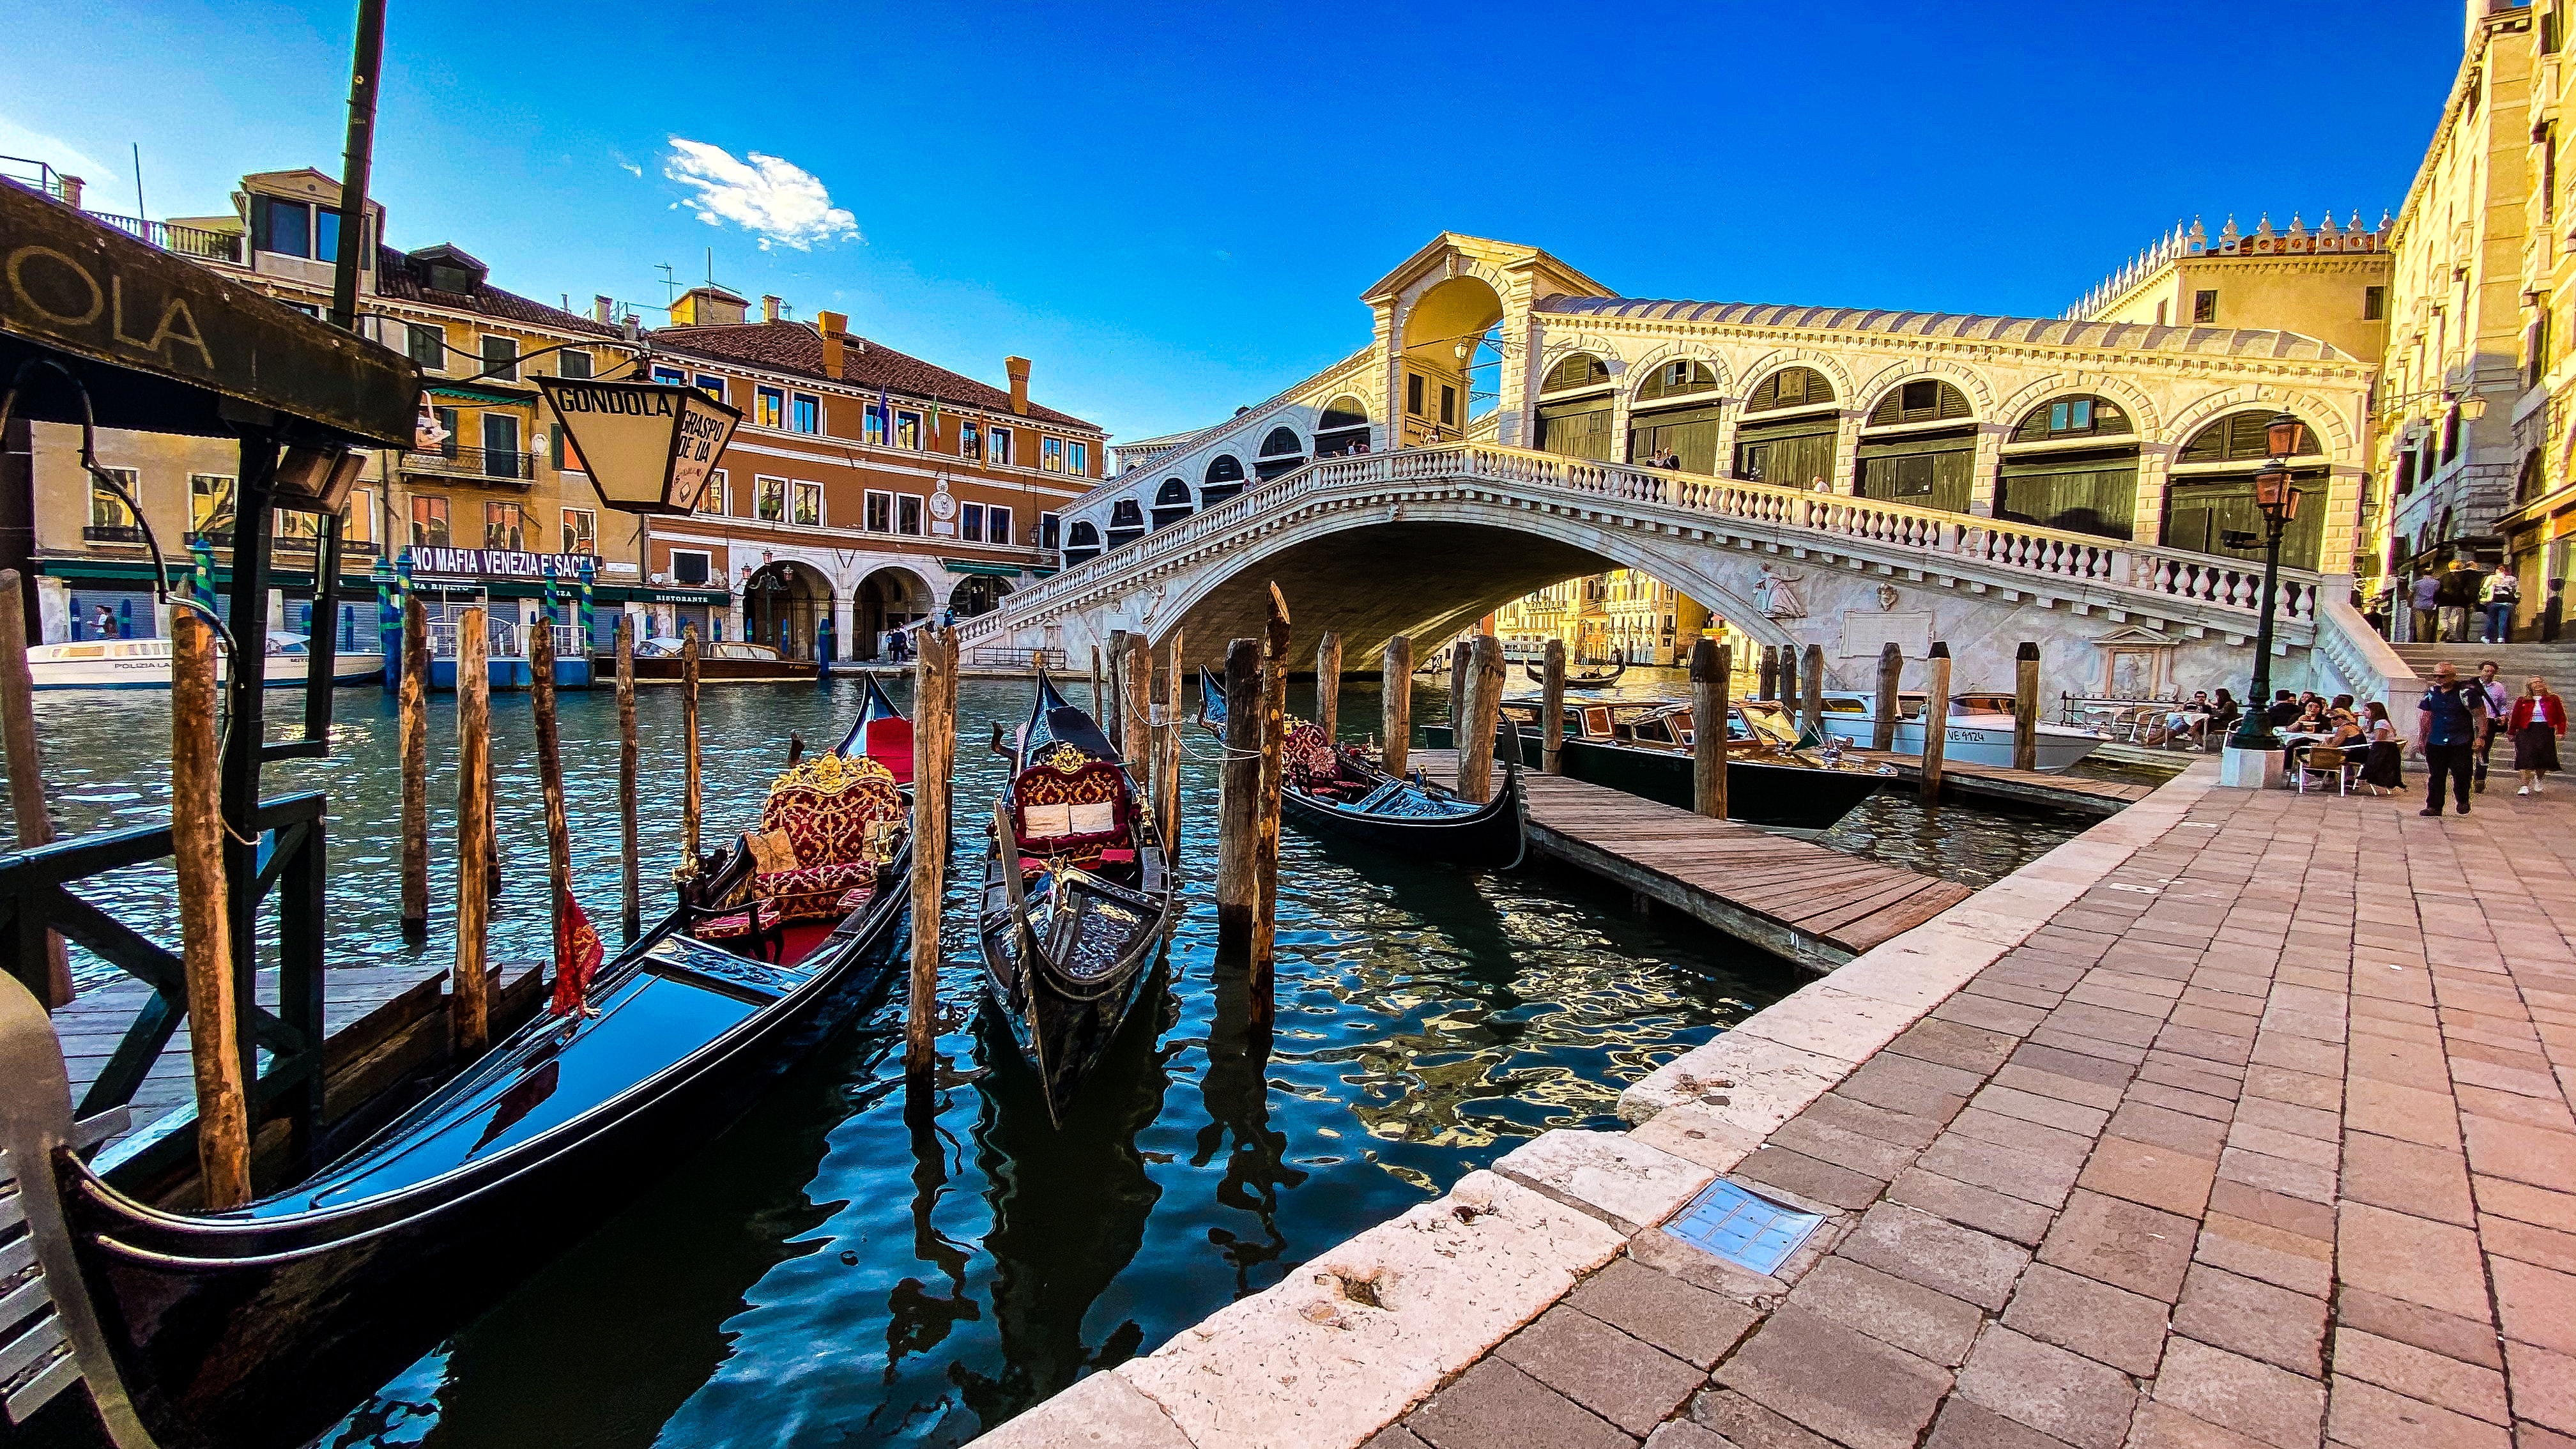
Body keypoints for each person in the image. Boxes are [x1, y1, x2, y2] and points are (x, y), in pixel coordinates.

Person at [2419, 661, 2488, 816]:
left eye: (2442, 676)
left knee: (2462, 773)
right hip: (2436, 739)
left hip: (2460, 740)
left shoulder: (2466, 693)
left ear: (2452, 676)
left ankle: (2463, 800)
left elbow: (2480, 716)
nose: (2438, 679)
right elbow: (2425, 716)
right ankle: (2434, 806)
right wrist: (2422, 737)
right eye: (2436, 676)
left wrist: (2481, 737)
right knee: (2436, 775)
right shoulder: (2431, 693)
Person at [2509, 676, 2566, 795]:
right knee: (2526, 757)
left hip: (2545, 730)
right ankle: (2524, 785)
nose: (2538, 684)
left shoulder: (2553, 699)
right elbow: (2515, 717)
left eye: (2539, 682)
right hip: (2527, 731)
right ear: (2530, 686)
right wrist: (2511, 732)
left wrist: (2561, 731)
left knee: (2543, 759)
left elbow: (2561, 717)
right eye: (2534, 683)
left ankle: (2538, 779)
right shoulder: (2522, 700)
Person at [2472, 661, 2512, 792]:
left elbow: (2502, 704)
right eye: (2486, 671)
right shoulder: (2471, 686)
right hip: (2472, 721)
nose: (2489, 674)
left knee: (2484, 750)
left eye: (2492, 671)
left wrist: (2503, 716)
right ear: (2481, 671)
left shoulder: (2498, 687)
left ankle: (2480, 779)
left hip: (2489, 722)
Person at [2359, 702, 2405, 796]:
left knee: (2350, 755)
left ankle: (2351, 778)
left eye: (2367, 710)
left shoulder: (2381, 723)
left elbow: (2379, 742)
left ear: (2375, 712)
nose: (2364, 713)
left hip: (2381, 754)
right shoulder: (2374, 722)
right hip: (2378, 751)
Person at [2437, 561, 2481, 643]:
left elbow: (2439, 589)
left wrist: (2436, 600)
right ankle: (2452, 636)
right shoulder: (2463, 576)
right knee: (2455, 620)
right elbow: (2468, 589)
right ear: (2459, 567)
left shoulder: (2444, 577)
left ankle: (2445, 628)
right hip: (2459, 601)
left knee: (2444, 618)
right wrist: (2470, 600)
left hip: (2444, 601)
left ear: (2449, 567)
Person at [2482, 564, 2521, 644]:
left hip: (2493, 601)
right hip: (2507, 602)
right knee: (2503, 620)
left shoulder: (2492, 578)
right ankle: (2501, 637)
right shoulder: (2513, 579)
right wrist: (2516, 600)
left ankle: (2487, 637)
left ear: (2498, 570)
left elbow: (2485, 588)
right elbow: (2518, 591)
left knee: (2491, 619)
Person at [2411, 571, 2442, 642]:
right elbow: (2438, 592)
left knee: (2420, 623)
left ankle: (2421, 639)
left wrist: (2410, 601)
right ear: (2432, 574)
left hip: (2419, 605)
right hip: (2430, 605)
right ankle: (2427, 639)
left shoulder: (2418, 583)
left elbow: (2411, 592)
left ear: (2423, 574)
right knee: (2429, 622)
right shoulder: (2436, 583)